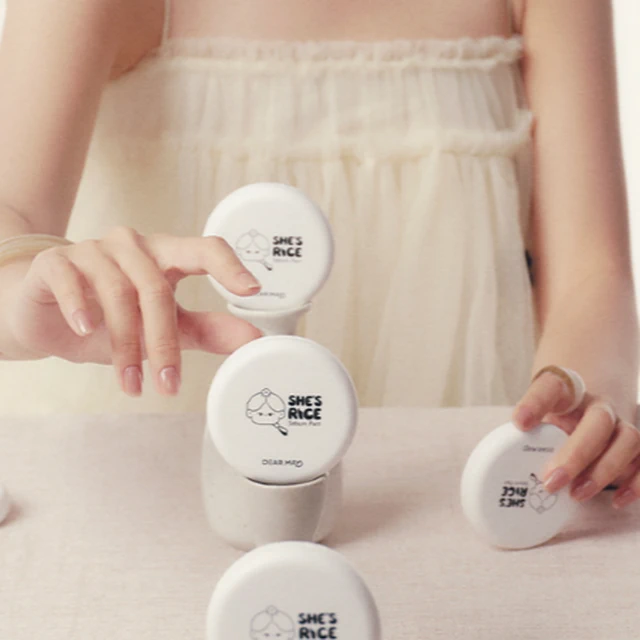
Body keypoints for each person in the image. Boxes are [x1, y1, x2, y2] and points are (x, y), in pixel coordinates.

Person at [0, 0, 638, 508]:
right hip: (139, 484)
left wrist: (589, 395)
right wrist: (22, 296)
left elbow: (592, 270)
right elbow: (13, 220)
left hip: (448, 485)